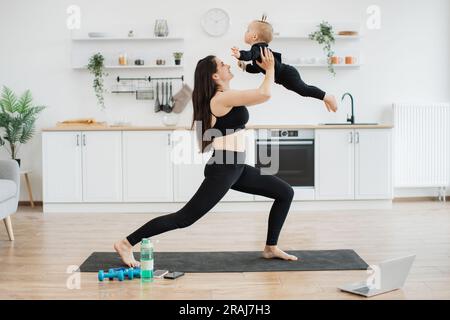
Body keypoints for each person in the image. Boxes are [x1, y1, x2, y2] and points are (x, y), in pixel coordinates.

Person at [114, 47, 299, 268]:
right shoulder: (220, 99)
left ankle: (270, 247)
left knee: (285, 193)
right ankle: (126, 243)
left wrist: (253, 64)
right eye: (222, 64)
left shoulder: (227, 96)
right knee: (184, 218)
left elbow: (257, 92)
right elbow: (264, 94)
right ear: (214, 76)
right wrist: (270, 70)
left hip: (236, 167)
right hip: (224, 168)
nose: (227, 65)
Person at [231, 16, 338, 113]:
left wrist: (239, 54)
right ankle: (325, 97)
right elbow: (257, 68)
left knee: (304, 90)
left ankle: (328, 97)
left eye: (247, 30)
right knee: (304, 90)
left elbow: (249, 55)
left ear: (254, 36)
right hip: (284, 78)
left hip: (287, 74)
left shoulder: (258, 48)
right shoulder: (259, 51)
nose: (245, 32)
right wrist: (245, 67)